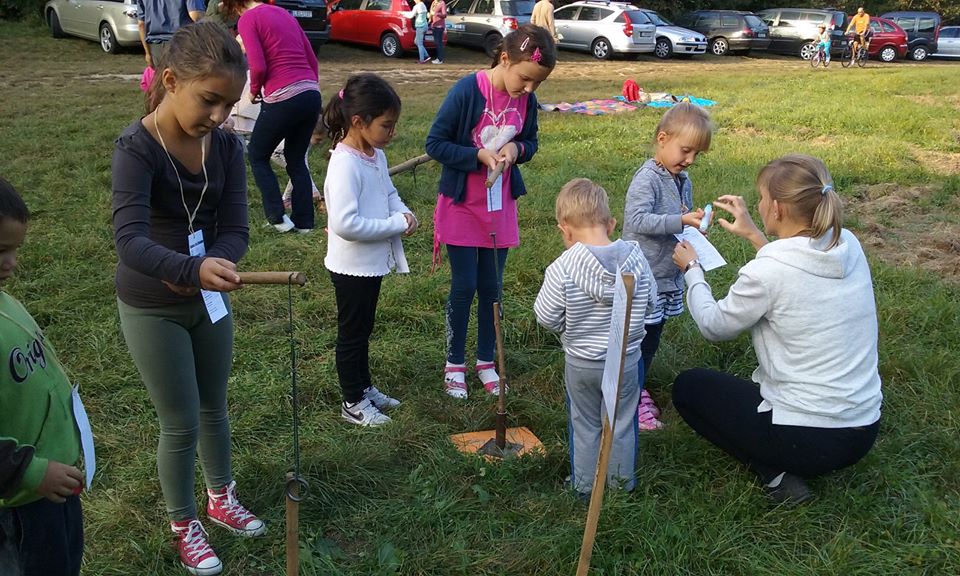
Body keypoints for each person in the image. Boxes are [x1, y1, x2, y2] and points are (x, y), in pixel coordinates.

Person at [113, 21, 264, 576]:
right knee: (179, 421)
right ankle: (183, 523)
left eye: (230, 103)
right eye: (209, 100)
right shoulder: (136, 148)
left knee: (214, 406)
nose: (221, 116)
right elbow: (129, 241)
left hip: (208, 300)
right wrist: (187, 268)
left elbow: (236, 229)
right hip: (153, 305)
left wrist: (213, 265)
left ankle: (220, 497)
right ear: (171, 80)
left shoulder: (224, 146)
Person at [671, 154, 882, 506]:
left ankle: (777, 475)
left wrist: (692, 269)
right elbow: (795, 274)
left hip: (809, 440)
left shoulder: (766, 273)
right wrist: (755, 233)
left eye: (763, 199)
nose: (759, 204)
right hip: (863, 428)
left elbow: (714, 325)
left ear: (779, 209)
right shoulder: (848, 245)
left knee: (689, 388)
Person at [425, 24, 556, 399]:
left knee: (492, 288)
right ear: (504, 58)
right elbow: (435, 143)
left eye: (537, 84)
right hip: (463, 206)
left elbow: (530, 141)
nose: (529, 90)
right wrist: (476, 155)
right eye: (525, 79)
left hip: (500, 208)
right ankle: (454, 364)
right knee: (464, 286)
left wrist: (517, 151)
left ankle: (485, 361)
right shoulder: (468, 91)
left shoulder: (526, 102)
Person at [534, 178, 655, 496]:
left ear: (565, 229)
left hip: (582, 362)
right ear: (612, 223)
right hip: (626, 362)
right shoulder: (638, 260)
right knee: (622, 422)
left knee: (586, 422)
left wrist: (567, 328)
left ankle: (586, 487)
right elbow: (653, 303)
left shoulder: (562, 268)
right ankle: (619, 485)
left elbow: (546, 317)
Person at [0, 178, 86, 576]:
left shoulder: (6, 301)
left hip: (55, 482)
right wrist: (32, 472)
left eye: (15, 250)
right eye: (1, 251)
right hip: (19, 502)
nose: (11, 263)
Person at [321, 74, 418, 427]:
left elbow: (388, 192)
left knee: (363, 330)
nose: (391, 132)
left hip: (369, 266)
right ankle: (352, 402)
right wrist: (394, 225)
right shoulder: (344, 164)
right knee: (351, 335)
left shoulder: (373, 155)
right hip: (351, 268)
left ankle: (363, 388)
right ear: (359, 122)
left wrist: (403, 212)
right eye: (386, 125)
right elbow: (346, 224)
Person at [622, 101, 712, 430]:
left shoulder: (679, 177)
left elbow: (678, 211)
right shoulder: (647, 178)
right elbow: (637, 219)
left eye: (695, 155)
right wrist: (679, 219)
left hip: (665, 277)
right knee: (637, 339)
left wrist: (692, 221)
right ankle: (626, 398)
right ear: (662, 139)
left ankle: (637, 385)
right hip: (644, 277)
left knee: (652, 336)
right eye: (685, 151)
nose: (689, 160)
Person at [222, 0, 321, 234]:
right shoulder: (284, 13)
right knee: (296, 159)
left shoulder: (248, 19)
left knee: (257, 154)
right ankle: (305, 222)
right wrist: (310, 89)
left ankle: (277, 218)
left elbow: (257, 66)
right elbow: (312, 60)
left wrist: (254, 91)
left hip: (283, 94)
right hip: (310, 92)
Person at [137, 0, 205, 70]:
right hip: (182, 43)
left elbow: (141, 24)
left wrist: (148, 53)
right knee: (185, 78)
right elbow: (196, 16)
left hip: (156, 46)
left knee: (164, 78)